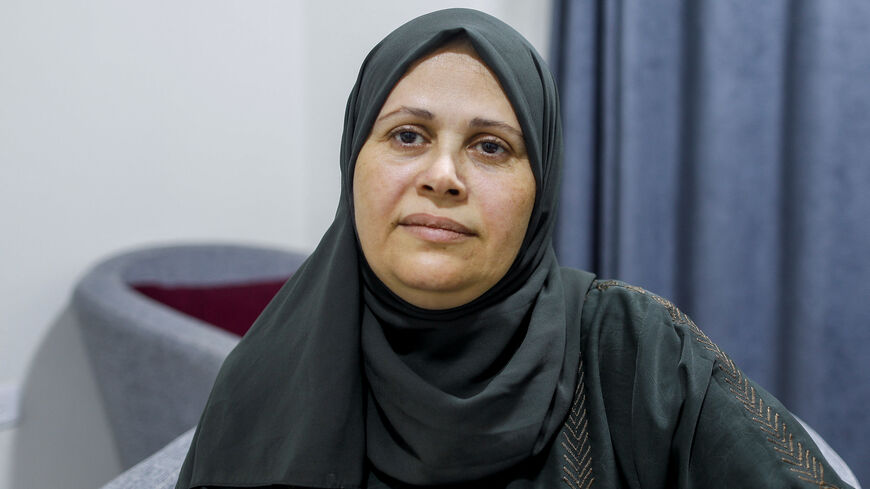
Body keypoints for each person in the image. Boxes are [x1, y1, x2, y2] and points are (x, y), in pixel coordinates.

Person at [175, 8, 856, 489]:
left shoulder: (635, 352)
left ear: (542, 188)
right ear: (356, 159)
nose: (442, 175)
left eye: (490, 146)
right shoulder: (263, 387)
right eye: (408, 135)